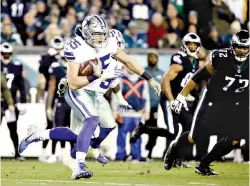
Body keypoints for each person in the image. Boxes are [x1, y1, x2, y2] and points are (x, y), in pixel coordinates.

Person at [21, 17, 161, 179]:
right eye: (96, 34)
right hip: (78, 91)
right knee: (92, 120)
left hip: (97, 94)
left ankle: (42, 135)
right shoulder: (76, 46)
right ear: (87, 33)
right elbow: (73, 83)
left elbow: (129, 62)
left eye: (103, 34)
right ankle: (78, 165)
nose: (100, 38)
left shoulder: (110, 44)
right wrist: (97, 76)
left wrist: (150, 79)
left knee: (106, 126)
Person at [164, 30, 249, 176]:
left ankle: (204, 165)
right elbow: (200, 75)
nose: (241, 51)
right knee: (194, 137)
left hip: (235, 102)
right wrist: (182, 96)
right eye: (238, 47)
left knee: (234, 139)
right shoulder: (221, 57)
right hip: (212, 99)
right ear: (232, 46)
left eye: (245, 47)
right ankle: (174, 148)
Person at [131, 33, 202, 164]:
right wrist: (171, 100)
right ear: (184, 45)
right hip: (170, 98)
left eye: (194, 44)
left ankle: (179, 157)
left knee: (189, 127)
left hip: (181, 99)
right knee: (172, 132)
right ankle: (145, 130)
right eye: (189, 44)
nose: (192, 47)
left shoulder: (196, 61)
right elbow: (165, 80)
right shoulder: (180, 60)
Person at [114, 68, 150, 161]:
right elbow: (117, 97)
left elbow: (146, 97)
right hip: (124, 113)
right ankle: (120, 156)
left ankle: (136, 156)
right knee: (121, 136)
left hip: (138, 114)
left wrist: (147, 111)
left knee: (136, 137)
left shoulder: (142, 81)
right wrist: (117, 113)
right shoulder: (122, 79)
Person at [38, 36, 64, 162]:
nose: (58, 51)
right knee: (49, 122)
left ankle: (61, 153)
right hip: (51, 92)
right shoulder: (47, 58)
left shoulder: (65, 58)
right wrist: (49, 56)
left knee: (63, 123)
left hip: (63, 93)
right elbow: (42, 69)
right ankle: (44, 151)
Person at [1, 42, 26, 160]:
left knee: (13, 129)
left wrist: (22, 101)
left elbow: (21, 85)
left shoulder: (16, 66)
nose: (6, 56)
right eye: (4, 54)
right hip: (1, 101)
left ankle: (17, 153)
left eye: (8, 54)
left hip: (11, 102)